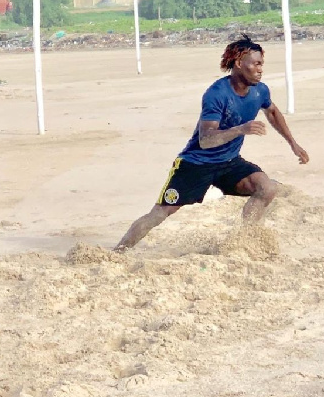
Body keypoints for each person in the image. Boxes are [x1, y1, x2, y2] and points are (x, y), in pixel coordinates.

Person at [115, 34, 309, 251]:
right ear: (238, 63)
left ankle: (244, 240)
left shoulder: (260, 90)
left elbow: (272, 111)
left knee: (266, 188)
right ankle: (120, 250)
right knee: (161, 212)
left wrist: (293, 143)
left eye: (261, 64)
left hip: (229, 163)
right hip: (196, 164)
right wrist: (241, 129)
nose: (260, 69)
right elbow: (206, 140)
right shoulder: (216, 94)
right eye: (256, 63)